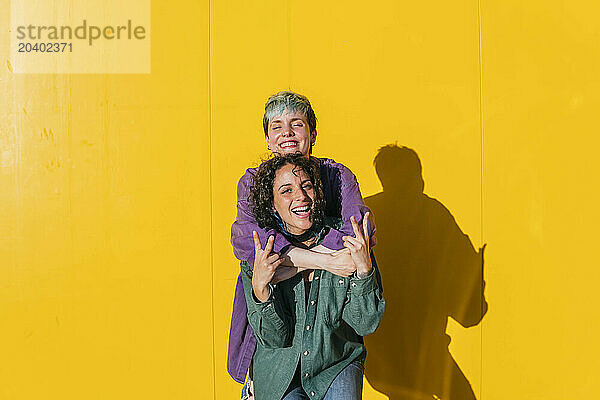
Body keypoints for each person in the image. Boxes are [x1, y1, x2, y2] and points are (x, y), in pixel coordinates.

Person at [228, 91, 377, 389]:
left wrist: (291, 262)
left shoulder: (337, 176)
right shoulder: (252, 182)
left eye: (296, 124)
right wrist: (326, 261)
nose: (287, 133)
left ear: (312, 133)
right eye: (277, 126)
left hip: (328, 323)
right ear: (268, 140)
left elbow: (359, 234)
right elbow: (252, 246)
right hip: (278, 316)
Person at [241, 154, 385, 400]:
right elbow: (274, 338)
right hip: (279, 370)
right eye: (286, 190)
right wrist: (261, 291)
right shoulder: (260, 250)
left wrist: (364, 271)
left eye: (306, 185)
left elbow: (364, 324)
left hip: (335, 362)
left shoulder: (345, 241)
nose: (301, 196)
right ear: (272, 203)